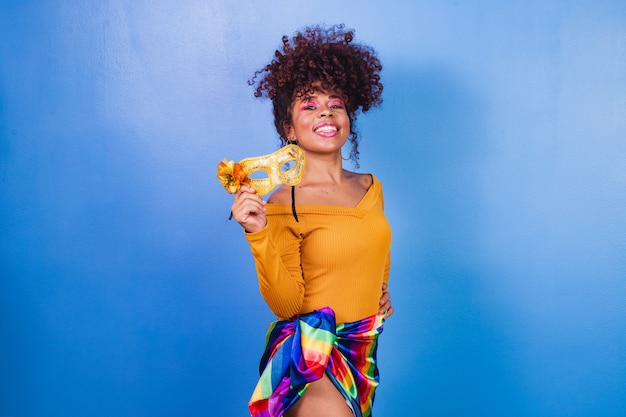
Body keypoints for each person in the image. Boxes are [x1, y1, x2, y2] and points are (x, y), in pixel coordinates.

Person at [230, 24, 393, 417]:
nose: (325, 111)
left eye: (335, 102)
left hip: (363, 348)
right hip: (312, 357)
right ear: (288, 128)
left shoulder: (370, 186)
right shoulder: (286, 202)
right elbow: (287, 304)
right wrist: (258, 232)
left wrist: (380, 291)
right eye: (308, 104)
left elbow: (373, 246)